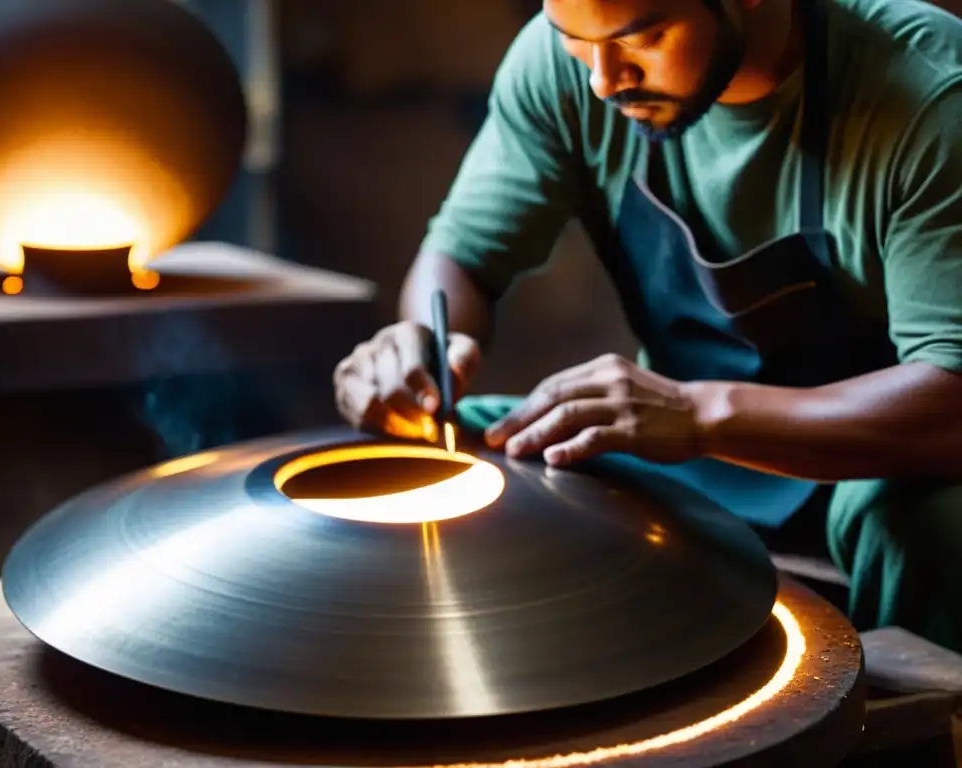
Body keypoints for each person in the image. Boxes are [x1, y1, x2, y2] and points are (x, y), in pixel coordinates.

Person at [333, 0, 962, 653]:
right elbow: (460, 258)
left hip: (881, 458)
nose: (605, 79)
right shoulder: (567, 69)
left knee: (921, 520)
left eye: (646, 36)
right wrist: (423, 355)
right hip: (687, 448)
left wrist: (699, 413)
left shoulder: (927, 91)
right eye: (576, 39)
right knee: (463, 445)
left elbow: (949, 406)